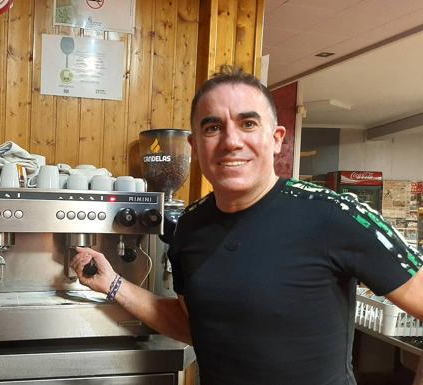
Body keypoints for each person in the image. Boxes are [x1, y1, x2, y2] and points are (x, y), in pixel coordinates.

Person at [71, 66, 423, 385]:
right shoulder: (189, 227)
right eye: (213, 127)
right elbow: (195, 325)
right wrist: (114, 284)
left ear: (276, 138)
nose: (231, 140)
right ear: (195, 146)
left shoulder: (336, 213)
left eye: (248, 123)